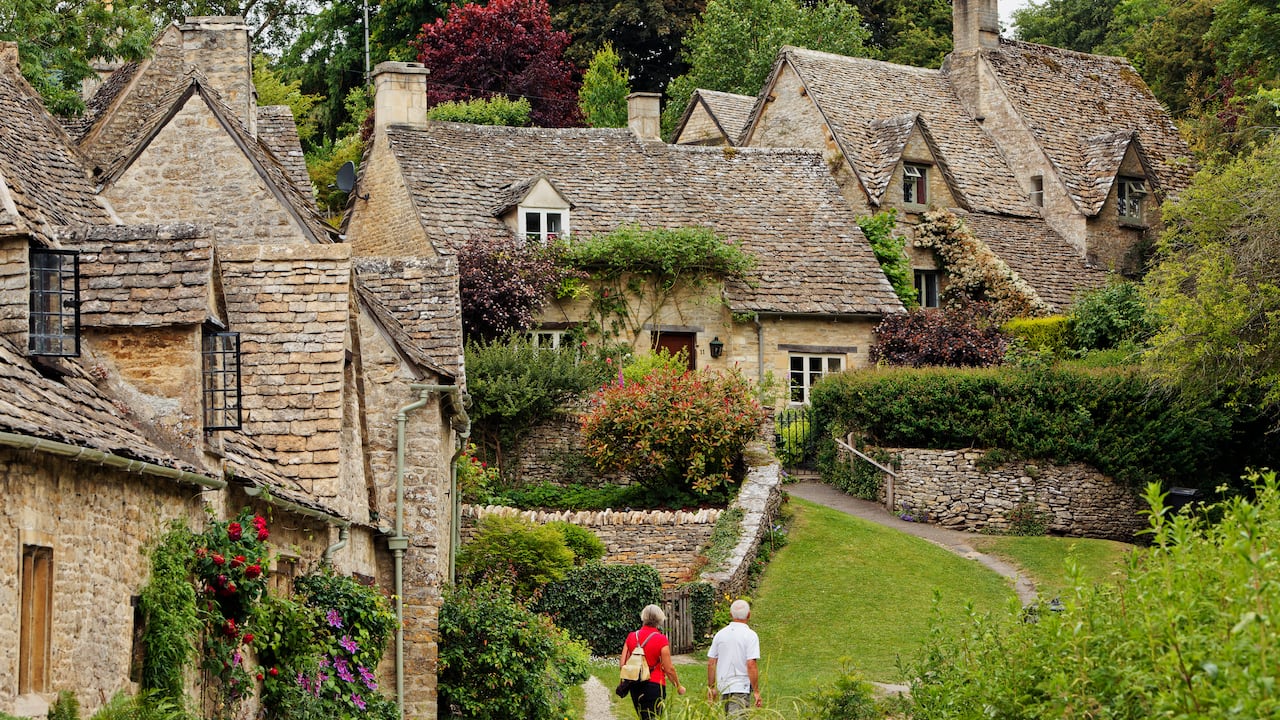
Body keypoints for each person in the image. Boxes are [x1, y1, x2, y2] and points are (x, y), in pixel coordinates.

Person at [620, 603, 685, 719]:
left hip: (635, 684)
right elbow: (669, 669)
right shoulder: (661, 640)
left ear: (643, 617)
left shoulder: (631, 636)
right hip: (655, 685)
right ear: (660, 619)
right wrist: (678, 686)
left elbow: (623, 664)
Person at [706, 599, 761, 716]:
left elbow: (711, 662)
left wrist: (711, 687)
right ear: (749, 615)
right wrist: (756, 691)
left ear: (730, 614)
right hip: (741, 686)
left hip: (724, 685)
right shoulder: (750, 635)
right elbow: (751, 664)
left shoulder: (720, 634)